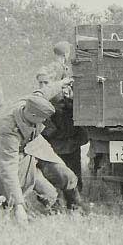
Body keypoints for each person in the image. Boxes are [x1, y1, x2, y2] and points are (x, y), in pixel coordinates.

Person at [0, 78, 84, 226]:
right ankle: (51, 216)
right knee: (48, 193)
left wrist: (62, 83)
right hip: (18, 157)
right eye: (42, 120)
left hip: (35, 144)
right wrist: (19, 206)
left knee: (66, 174)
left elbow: (44, 92)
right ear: (32, 116)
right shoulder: (8, 130)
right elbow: (8, 168)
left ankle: (76, 208)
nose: (44, 123)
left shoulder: (31, 102)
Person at [37, 67, 89, 195]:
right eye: (40, 83)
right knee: (53, 177)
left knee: (73, 175)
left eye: (46, 82)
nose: (43, 86)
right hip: (51, 145)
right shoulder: (39, 101)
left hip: (69, 144)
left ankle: (74, 202)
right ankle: (55, 201)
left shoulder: (68, 100)